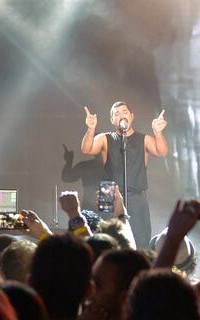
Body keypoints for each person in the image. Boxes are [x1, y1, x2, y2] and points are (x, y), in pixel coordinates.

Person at [80, 101, 168, 247]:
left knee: (140, 241)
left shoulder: (143, 139)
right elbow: (87, 149)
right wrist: (91, 129)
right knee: (108, 241)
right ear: (112, 120)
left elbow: (162, 151)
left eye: (124, 111)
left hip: (136, 194)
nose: (121, 115)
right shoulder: (104, 138)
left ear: (131, 116)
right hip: (108, 193)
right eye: (116, 113)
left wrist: (158, 133)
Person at [61, 144, 105, 212]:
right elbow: (66, 177)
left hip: (98, 210)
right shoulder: (85, 166)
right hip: (92, 210)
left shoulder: (85, 166)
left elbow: (66, 177)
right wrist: (69, 161)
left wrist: (69, 161)